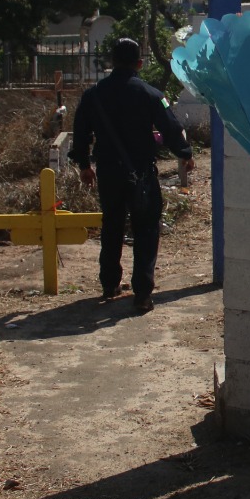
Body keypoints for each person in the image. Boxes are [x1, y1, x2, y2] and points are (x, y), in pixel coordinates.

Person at [69, 38, 196, 313]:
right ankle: (142, 293)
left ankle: (109, 284)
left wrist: (84, 165)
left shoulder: (93, 95)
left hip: (108, 172)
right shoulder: (151, 94)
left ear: (112, 62)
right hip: (141, 173)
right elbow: (171, 127)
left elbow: (80, 133)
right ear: (139, 63)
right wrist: (185, 153)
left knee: (111, 225)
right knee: (146, 230)